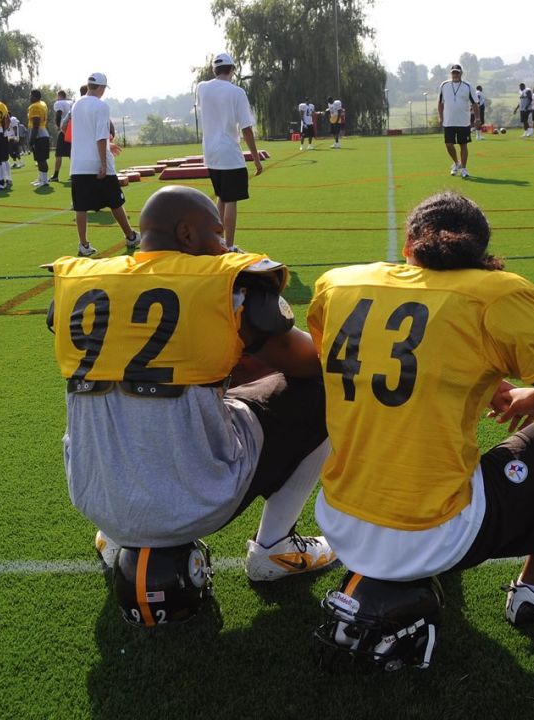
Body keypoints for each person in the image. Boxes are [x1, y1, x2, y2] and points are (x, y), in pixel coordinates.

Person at [306, 191, 534, 627]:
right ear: (481, 254)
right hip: (436, 532)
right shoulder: (493, 295)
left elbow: (371, 360)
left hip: (340, 520)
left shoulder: (338, 283)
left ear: (408, 248)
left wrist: (481, 373)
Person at [47, 185, 339, 585]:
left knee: (117, 399)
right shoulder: (225, 284)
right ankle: (275, 547)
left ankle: (116, 535)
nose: (223, 246)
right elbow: (309, 363)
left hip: (95, 495)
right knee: (325, 387)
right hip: (196, 499)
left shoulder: (81, 282)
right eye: (216, 234)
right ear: (186, 234)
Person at [67, 72, 140, 257]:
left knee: (80, 206)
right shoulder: (101, 106)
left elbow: (86, 133)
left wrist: (108, 145)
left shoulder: (77, 104)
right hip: (96, 161)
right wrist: (103, 163)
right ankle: (130, 236)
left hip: (78, 163)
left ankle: (83, 244)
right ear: (101, 88)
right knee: (115, 201)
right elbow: (100, 136)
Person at [197, 53, 264, 251]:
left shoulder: (202, 88)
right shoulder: (237, 92)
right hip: (229, 153)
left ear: (213, 70)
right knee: (231, 200)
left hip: (210, 154)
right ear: (232, 69)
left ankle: (219, 242)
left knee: (222, 197)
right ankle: (230, 245)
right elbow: (246, 128)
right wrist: (256, 158)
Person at [438, 63, 480, 174]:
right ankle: (456, 163)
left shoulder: (468, 86)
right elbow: (440, 103)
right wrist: (441, 117)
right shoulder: (444, 85)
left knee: (463, 145)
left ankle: (464, 168)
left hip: (463, 121)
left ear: (461, 73)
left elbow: (475, 104)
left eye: (457, 72)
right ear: (451, 73)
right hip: (448, 121)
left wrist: (477, 118)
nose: (455, 74)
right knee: (448, 144)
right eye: (453, 72)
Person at [27, 89, 52, 187]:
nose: (30, 98)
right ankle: (41, 179)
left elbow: (36, 124)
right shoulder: (42, 104)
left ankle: (44, 181)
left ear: (35, 97)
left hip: (39, 135)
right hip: (43, 132)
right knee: (39, 159)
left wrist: (32, 139)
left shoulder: (34, 106)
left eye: (31, 96)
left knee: (41, 159)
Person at [51, 89, 74, 182]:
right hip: (72, 129)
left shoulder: (59, 103)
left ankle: (56, 175)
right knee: (72, 154)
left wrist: (57, 125)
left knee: (59, 154)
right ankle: (73, 174)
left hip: (64, 130)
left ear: (59, 96)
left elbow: (59, 114)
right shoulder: (72, 103)